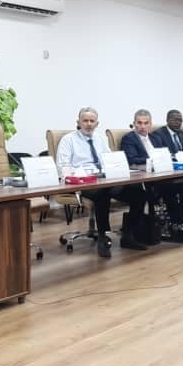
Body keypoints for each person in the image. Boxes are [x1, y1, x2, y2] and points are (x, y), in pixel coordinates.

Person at [56, 107, 148, 258]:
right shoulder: (68, 140)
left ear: (97, 123)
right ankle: (102, 237)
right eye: (85, 120)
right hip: (82, 183)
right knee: (102, 193)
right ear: (78, 122)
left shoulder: (100, 139)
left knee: (138, 194)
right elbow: (62, 167)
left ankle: (128, 236)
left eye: (92, 121)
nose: (89, 124)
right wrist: (85, 174)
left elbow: (110, 160)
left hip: (104, 179)